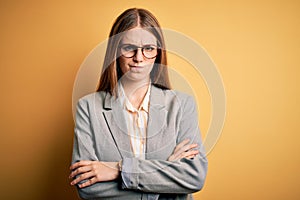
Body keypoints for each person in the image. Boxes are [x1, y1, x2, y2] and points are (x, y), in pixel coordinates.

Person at [69, 8, 208, 200]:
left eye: (148, 48)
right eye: (129, 48)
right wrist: (166, 170)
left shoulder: (182, 104)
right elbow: (86, 187)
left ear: (158, 53)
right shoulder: (88, 108)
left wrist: (119, 170)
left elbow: (194, 177)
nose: (139, 58)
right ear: (115, 51)